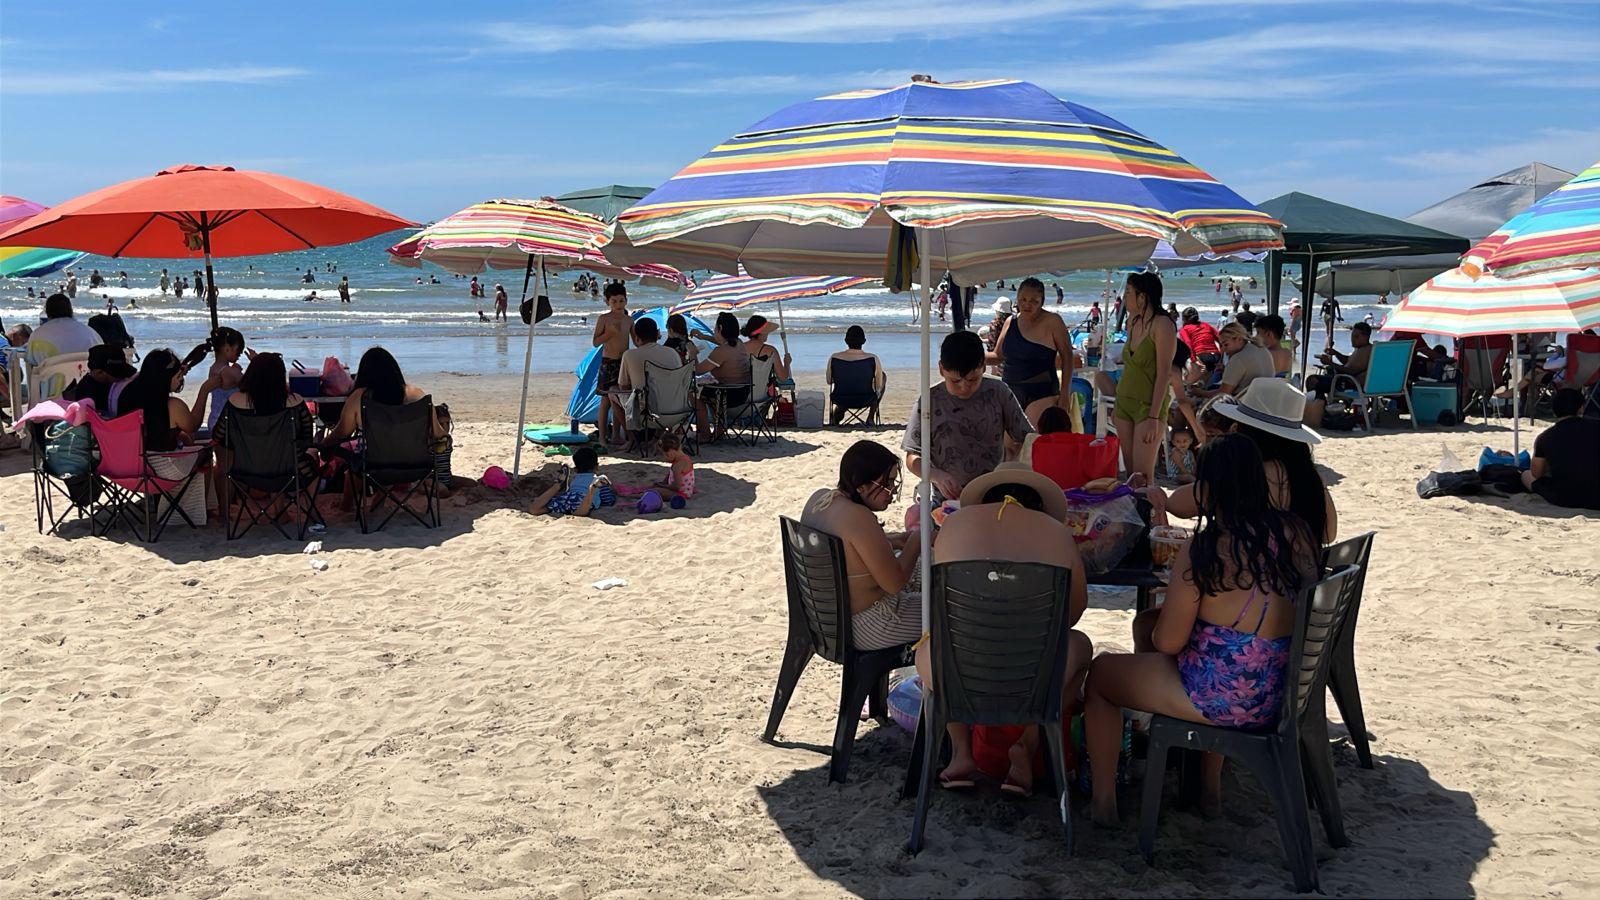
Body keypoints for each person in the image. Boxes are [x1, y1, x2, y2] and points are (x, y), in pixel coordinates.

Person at [1084, 433, 1320, 823]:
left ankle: (1103, 803)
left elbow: (1169, 642)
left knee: (1102, 675)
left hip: (1221, 700)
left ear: (1210, 487)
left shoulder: (1209, 547)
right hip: (1282, 689)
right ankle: (1208, 786)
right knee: (1198, 645)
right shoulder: (1296, 533)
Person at [915, 461, 1091, 795]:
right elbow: (1072, 614)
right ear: (1037, 503)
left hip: (957, 673)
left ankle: (961, 753)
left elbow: (938, 607)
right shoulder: (1057, 533)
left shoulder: (953, 526)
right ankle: (1028, 741)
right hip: (1032, 676)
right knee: (1081, 647)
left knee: (930, 646)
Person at [1147, 378, 1336, 547]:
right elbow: (1329, 535)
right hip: (1301, 577)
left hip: (1257, 578)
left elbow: (1178, 505)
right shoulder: (1309, 476)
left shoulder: (1246, 474)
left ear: (1241, 429)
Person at [801, 440, 922, 651]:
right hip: (867, 625)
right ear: (862, 486)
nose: (893, 490)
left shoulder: (821, 499)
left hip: (827, 620)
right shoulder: (860, 517)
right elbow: (895, 584)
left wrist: (893, 539)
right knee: (949, 612)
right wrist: (916, 541)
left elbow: (850, 548)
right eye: (887, 484)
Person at [903, 330, 1033, 503]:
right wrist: (936, 476)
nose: (964, 387)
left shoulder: (998, 392)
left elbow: (1027, 438)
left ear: (983, 367)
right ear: (941, 369)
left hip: (993, 493)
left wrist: (1011, 463)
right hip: (948, 498)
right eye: (955, 381)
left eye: (972, 380)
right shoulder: (930, 401)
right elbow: (912, 456)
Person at [211, 352, 320, 515]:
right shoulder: (294, 401)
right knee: (310, 455)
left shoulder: (236, 400)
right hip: (289, 471)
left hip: (245, 473)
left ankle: (226, 514)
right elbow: (306, 438)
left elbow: (218, 436)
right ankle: (306, 512)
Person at [1114, 272, 1177, 483]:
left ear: (1143, 296)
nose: (1125, 297)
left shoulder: (1163, 325)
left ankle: (1152, 516)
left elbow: (1164, 374)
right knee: (1130, 475)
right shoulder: (1133, 321)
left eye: (1129, 292)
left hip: (1148, 406)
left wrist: (1153, 417)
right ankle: (1135, 515)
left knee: (1143, 477)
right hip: (1124, 401)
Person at [320, 347, 444, 451]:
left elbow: (341, 433)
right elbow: (439, 434)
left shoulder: (360, 397)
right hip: (416, 469)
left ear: (364, 374)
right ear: (395, 370)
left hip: (373, 471)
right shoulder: (417, 395)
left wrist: (321, 444)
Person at [987, 277, 1077, 410]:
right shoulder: (1010, 322)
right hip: (1010, 391)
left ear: (1042, 302)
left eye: (1034, 301)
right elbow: (997, 356)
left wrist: (1065, 395)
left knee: (1035, 431)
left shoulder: (1053, 321)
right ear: (1017, 299)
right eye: (1023, 299)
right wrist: (971, 357)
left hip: (1041, 393)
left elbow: (1067, 358)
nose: (1027, 304)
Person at [115, 348, 221, 451]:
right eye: (178, 376)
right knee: (204, 451)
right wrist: (204, 391)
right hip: (161, 463)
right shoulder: (172, 405)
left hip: (132, 458)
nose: (181, 379)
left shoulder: (127, 394)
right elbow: (193, 425)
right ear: (165, 379)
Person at [1523, 388, 1600, 509]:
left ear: (1554, 411)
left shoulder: (1545, 437)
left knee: (1526, 475)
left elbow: (1536, 473)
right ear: (1581, 408)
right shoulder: (1596, 426)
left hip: (1566, 498)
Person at [693, 312, 751, 443]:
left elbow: (697, 370)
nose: (714, 331)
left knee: (695, 395)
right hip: (744, 392)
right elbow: (723, 342)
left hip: (728, 396)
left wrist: (693, 354)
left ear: (720, 329)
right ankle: (719, 430)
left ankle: (705, 434)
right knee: (710, 391)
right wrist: (705, 337)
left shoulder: (720, 352)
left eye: (715, 329)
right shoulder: (739, 343)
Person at [592, 284, 632, 445]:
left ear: (626, 301)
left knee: (619, 400)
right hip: (608, 363)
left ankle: (616, 435)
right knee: (605, 401)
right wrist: (609, 334)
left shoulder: (629, 320)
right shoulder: (604, 319)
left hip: (623, 364)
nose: (618, 305)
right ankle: (602, 436)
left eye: (621, 301)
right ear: (607, 302)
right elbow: (595, 342)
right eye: (614, 301)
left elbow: (636, 340)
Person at [1193, 323, 1274, 400]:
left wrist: (1199, 392)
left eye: (1226, 345)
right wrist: (1226, 370)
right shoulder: (1261, 348)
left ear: (1239, 339)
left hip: (1244, 404)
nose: (1223, 350)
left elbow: (1223, 394)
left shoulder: (1238, 358)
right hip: (1265, 398)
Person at [529, 446, 616, 517]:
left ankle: (557, 485)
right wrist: (612, 496)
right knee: (579, 513)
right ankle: (592, 488)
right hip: (582, 500)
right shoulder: (599, 481)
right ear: (597, 467)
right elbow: (608, 500)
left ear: (575, 470)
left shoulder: (575, 479)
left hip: (567, 497)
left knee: (535, 509)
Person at [826, 325, 884, 424]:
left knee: (848, 383)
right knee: (883, 376)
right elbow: (878, 386)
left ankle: (836, 418)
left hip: (840, 398)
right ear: (864, 341)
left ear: (845, 340)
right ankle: (870, 418)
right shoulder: (872, 359)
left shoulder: (835, 358)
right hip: (866, 398)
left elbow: (829, 381)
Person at [25, 293, 103, 367]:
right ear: (71, 311)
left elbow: (31, 359)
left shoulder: (38, 334)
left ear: (47, 313)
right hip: (83, 378)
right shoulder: (90, 333)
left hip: (51, 379)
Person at [618, 316, 683, 399]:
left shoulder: (629, 355)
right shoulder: (672, 352)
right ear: (657, 334)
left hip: (645, 408)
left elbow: (623, 387)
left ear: (637, 338)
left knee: (613, 393)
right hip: (676, 405)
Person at [1307, 321, 1373, 403]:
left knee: (1312, 380)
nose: (1352, 339)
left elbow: (1351, 371)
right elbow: (1348, 362)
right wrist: (1335, 353)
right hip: (1345, 380)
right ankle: (1322, 406)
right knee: (1319, 379)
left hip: (1349, 384)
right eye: (1352, 336)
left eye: (1356, 337)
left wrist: (1330, 363)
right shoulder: (1361, 349)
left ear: (1365, 337)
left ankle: (1318, 407)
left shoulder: (1366, 351)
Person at [59, 342, 135, 412]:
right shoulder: (88, 392)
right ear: (99, 373)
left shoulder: (115, 383)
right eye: (119, 374)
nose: (124, 377)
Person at [740, 314, 792, 381]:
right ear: (762, 332)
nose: (768, 333)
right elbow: (783, 377)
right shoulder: (770, 351)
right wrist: (787, 363)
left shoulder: (739, 348)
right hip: (762, 390)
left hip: (742, 389)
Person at [1178, 307, 1221, 376]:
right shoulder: (1206, 325)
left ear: (1184, 319)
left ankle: (1189, 382)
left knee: (1183, 360)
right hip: (1216, 356)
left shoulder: (1184, 329)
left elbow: (1188, 343)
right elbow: (1220, 338)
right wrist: (1222, 354)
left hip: (1202, 356)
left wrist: (1194, 360)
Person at [655, 433, 696, 501]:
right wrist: (662, 483)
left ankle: (635, 496)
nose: (664, 458)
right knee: (656, 488)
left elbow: (676, 486)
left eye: (665, 455)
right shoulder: (683, 459)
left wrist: (663, 486)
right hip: (684, 491)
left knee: (655, 491)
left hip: (680, 494)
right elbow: (670, 475)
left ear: (671, 451)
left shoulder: (679, 465)